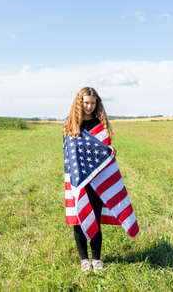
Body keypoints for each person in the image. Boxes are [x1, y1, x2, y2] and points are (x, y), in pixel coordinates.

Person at [63, 87, 117, 273]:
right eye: (86, 102)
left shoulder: (100, 125)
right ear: (79, 103)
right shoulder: (71, 125)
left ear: (97, 103)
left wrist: (110, 151)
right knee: (78, 219)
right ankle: (84, 259)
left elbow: (104, 148)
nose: (89, 106)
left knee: (95, 217)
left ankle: (97, 258)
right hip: (77, 180)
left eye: (92, 103)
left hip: (96, 181)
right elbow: (69, 152)